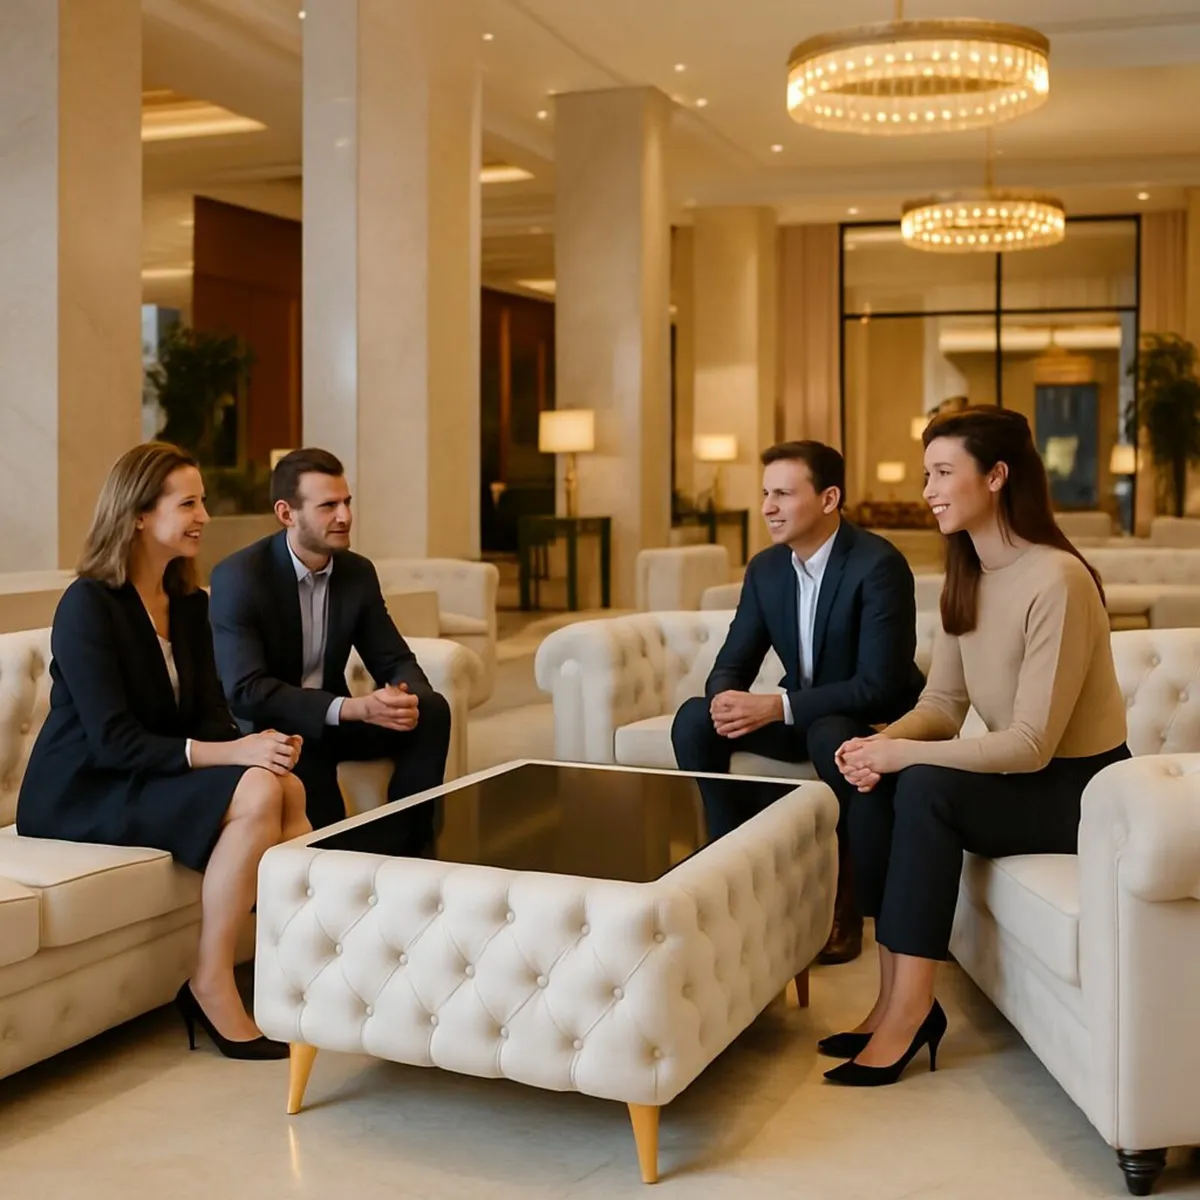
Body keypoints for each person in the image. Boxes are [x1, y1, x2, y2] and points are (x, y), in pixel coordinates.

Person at [823, 406, 1129, 1087]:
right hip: (1032, 781)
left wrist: (904, 757)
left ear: (996, 475)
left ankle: (913, 1011)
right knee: (882, 778)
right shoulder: (967, 574)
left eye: (941, 473)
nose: (927, 489)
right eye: (925, 473)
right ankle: (889, 1000)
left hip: (1083, 794)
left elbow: (1029, 746)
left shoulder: (1058, 580)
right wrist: (877, 743)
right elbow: (943, 705)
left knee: (923, 784)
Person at [17, 443, 309, 1061]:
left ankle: (296, 971)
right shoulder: (87, 605)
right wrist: (238, 758)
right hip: (82, 789)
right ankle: (213, 979)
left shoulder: (189, 603)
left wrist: (260, 748)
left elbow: (208, 715)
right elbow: (112, 741)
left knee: (284, 784)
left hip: (146, 773)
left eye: (202, 499)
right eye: (189, 502)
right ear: (139, 515)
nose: (203, 513)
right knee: (258, 786)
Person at [671, 440, 925, 965]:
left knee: (831, 733)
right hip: (808, 714)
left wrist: (776, 707)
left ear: (829, 498)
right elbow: (732, 662)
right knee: (694, 721)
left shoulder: (878, 565)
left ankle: (845, 905)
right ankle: (732, 864)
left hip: (872, 718)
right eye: (765, 493)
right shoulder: (767, 569)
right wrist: (724, 700)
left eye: (783, 494)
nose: (768, 507)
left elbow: (878, 684)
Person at [209, 448, 450, 843]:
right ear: (287, 513)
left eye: (347, 502)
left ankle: (411, 847)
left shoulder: (356, 572)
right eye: (328, 506)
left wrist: (404, 699)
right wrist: (354, 707)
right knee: (328, 832)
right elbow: (247, 691)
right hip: (278, 728)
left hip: (339, 721)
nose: (345, 516)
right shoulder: (241, 577)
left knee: (432, 710)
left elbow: (394, 658)